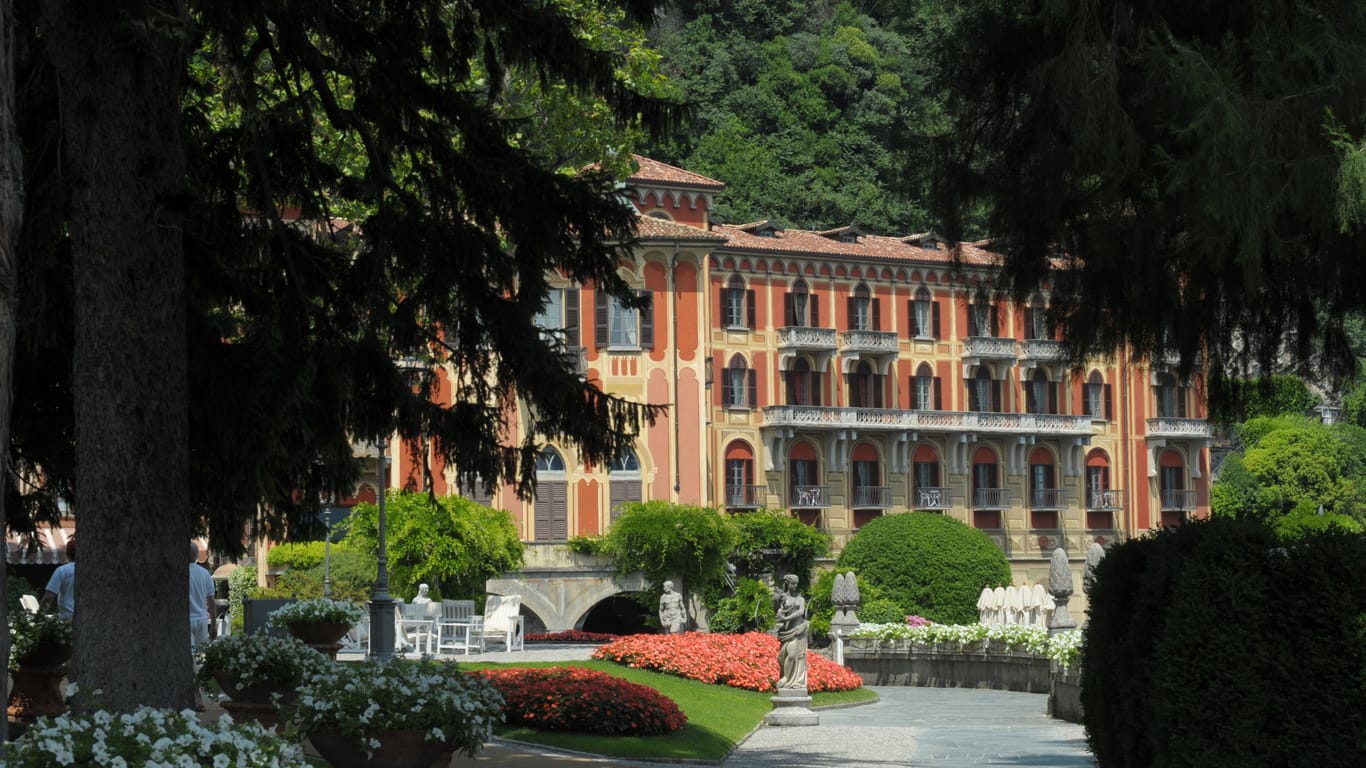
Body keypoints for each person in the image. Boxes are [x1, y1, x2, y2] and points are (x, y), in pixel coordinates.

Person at [774, 574, 808, 691]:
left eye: (796, 584)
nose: (795, 586)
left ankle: (786, 679)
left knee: (793, 654)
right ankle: (785, 676)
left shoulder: (800, 599)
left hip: (797, 631)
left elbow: (801, 612)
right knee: (782, 658)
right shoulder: (783, 598)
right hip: (786, 632)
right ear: (788, 584)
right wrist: (781, 613)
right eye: (793, 583)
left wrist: (786, 619)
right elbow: (779, 613)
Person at [188, 542, 217, 654]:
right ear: (196, 556)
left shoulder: (179, 573)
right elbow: (211, 602)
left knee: (188, 656)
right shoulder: (205, 574)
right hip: (202, 620)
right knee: (200, 656)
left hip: (187, 620)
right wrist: (213, 625)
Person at [41, 538, 77, 617]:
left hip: (67, 618)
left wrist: (39, 616)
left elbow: (48, 597)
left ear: (67, 554)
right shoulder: (90, 571)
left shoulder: (62, 570)